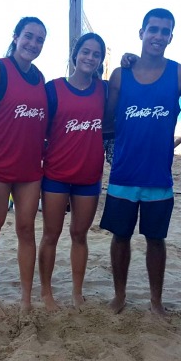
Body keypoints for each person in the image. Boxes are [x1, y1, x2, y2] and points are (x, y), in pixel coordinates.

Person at [100, 8, 181, 316]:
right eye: (153, 29)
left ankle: (156, 301)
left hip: (159, 177)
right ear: (141, 33)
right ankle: (119, 296)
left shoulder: (180, 73)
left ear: (171, 37)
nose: (158, 36)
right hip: (124, 173)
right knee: (121, 237)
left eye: (164, 31)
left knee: (156, 240)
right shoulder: (120, 74)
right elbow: (106, 119)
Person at [0, 17, 48, 319]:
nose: (33, 43)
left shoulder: (40, 77)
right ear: (16, 37)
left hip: (30, 172)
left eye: (39, 39)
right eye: (28, 36)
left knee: (26, 230)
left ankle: (26, 298)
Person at [38, 32, 107, 311]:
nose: (90, 58)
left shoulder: (104, 90)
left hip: (89, 177)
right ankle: (45, 292)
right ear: (75, 54)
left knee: (80, 235)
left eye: (96, 54)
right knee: (50, 235)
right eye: (86, 52)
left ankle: (77, 293)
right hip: (55, 175)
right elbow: (35, 129)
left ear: (101, 60)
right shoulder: (53, 89)